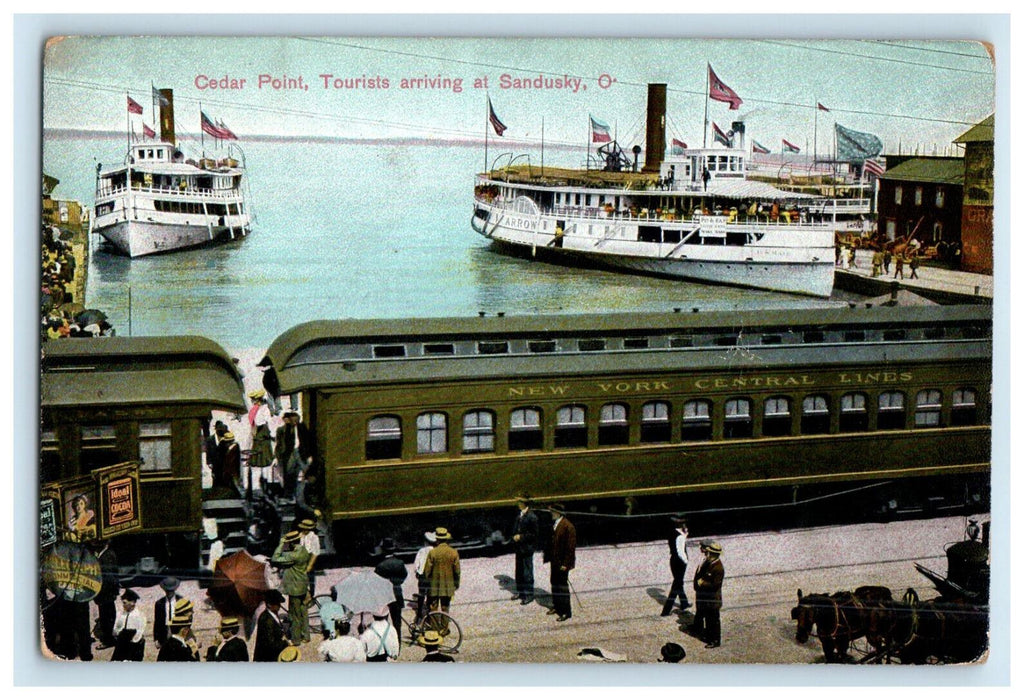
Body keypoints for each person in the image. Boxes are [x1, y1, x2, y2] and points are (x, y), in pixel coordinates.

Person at [271, 530, 311, 644]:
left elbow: (275, 558)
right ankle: (306, 635)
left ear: (291, 543)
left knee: (294, 614)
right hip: (303, 586)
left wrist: (281, 544)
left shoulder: (293, 555)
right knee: (304, 612)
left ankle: (296, 639)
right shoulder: (303, 550)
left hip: (295, 588)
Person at [543, 503, 576, 622]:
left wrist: (566, 564)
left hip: (562, 563)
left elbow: (570, 548)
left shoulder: (568, 526)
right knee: (554, 583)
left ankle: (566, 612)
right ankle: (557, 607)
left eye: (552, 512)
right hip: (555, 561)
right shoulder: (556, 524)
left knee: (562, 587)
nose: (551, 514)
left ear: (558, 513)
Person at [424, 526, 461, 626]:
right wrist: (456, 583)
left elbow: (427, 571)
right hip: (448, 585)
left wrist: (427, 582)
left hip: (434, 585)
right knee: (445, 607)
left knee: (433, 607)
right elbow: (457, 571)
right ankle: (444, 629)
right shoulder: (454, 552)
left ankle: (435, 629)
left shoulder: (432, 553)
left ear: (437, 539)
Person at [691, 540, 725, 648]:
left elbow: (715, 585)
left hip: (713, 600)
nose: (707, 554)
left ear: (713, 554)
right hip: (707, 599)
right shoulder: (710, 563)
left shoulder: (718, 567)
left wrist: (703, 582)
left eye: (709, 552)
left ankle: (715, 641)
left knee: (713, 621)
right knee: (708, 619)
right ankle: (709, 637)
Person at [373, 537, 408, 639]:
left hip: (384, 595)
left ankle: (386, 641)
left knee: (383, 621)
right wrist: (397, 583)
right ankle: (398, 643)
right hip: (397, 593)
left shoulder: (380, 566)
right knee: (397, 622)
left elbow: (376, 581)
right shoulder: (400, 563)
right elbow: (404, 575)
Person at [275, 411, 313, 500]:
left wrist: (309, 455)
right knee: (289, 473)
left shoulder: (302, 428)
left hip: (300, 452)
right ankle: (289, 494)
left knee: (305, 471)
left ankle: (304, 494)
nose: (296, 421)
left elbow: (308, 442)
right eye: (294, 420)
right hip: (290, 453)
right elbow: (279, 444)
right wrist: (277, 456)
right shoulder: (283, 430)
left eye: (297, 419)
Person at [660, 514, 691, 616]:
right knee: (676, 585)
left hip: (673, 560)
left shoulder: (672, 533)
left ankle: (684, 603)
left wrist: (684, 536)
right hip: (680, 562)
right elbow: (680, 551)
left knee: (679, 582)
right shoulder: (680, 537)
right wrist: (686, 561)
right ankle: (666, 610)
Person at [247, 389, 274, 499]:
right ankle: (261, 487)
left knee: (261, 465)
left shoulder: (258, 410)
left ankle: (261, 486)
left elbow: (257, 424)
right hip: (262, 439)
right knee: (263, 464)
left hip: (259, 439)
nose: (253, 402)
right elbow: (267, 424)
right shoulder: (261, 410)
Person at [511, 495, 538, 605]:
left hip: (527, 548)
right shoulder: (520, 514)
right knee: (519, 571)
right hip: (519, 548)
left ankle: (529, 594)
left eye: (519, 502)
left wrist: (520, 537)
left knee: (527, 572)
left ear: (524, 503)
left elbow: (534, 534)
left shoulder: (532, 517)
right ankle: (521, 592)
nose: (518, 504)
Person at [93, 540, 120, 649]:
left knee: (106, 616)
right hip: (106, 592)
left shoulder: (107, 556)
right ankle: (109, 636)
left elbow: (109, 577)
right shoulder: (104, 554)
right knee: (107, 614)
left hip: (106, 591)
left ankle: (108, 640)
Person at [111, 589, 146, 661]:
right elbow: (115, 628)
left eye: (125, 603)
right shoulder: (120, 614)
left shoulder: (139, 615)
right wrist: (117, 633)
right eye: (123, 603)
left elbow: (140, 631)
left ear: (132, 603)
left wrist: (131, 641)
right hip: (121, 642)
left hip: (134, 645)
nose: (123, 605)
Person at [254, 590, 289, 662]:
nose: (279, 606)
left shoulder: (273, 614)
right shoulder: (267, 620)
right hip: (267, 658)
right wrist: (285, 643)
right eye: (277, 604)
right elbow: (270, 644)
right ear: (269, 605)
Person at [153, 576, 183, 648]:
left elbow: (187, 621)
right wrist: (156, 638)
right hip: (164, 634)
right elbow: (157, 621)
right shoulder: (159, 603)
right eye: (167, 590)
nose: (169, 593)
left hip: (178, 633)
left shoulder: (181, 601)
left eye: (171, 591)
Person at [413, 531, 436, 620]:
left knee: (421, 594)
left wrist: (417, 572)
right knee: (430, 595)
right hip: (431, 576)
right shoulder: (434, 551)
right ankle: (429, 614)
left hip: (422, 576)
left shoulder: (421, 551)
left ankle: (419, 614)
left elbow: (416, 564)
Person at [297, 517, 320, 597]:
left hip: (310, 558)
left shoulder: (314, 538)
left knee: (310, 577)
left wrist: (310, 565)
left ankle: (312, 593)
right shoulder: (302, 536)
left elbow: (315, 553)